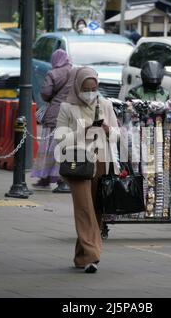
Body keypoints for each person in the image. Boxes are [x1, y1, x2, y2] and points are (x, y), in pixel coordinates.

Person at [55, 67, 120, 273]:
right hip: (77, 163)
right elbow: (60, 137)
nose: (90, 92)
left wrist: (108, 130)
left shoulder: (106, 105)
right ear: (77, 87)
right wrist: (82, 132)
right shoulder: (67, 107)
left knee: (97, 211)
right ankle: (93, 256)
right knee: (84, 209)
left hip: (101, 162)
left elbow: (118, 134)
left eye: (93, 88)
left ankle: (81, 256)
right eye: (86, 88)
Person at [31, 49, 73, 193]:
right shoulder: (74, 72)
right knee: (64, 148)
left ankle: (45, 178)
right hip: (70, 115)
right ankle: (62, 178)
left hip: (54, 114)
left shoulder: (52, 73)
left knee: (49, 148)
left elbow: (45, 93)